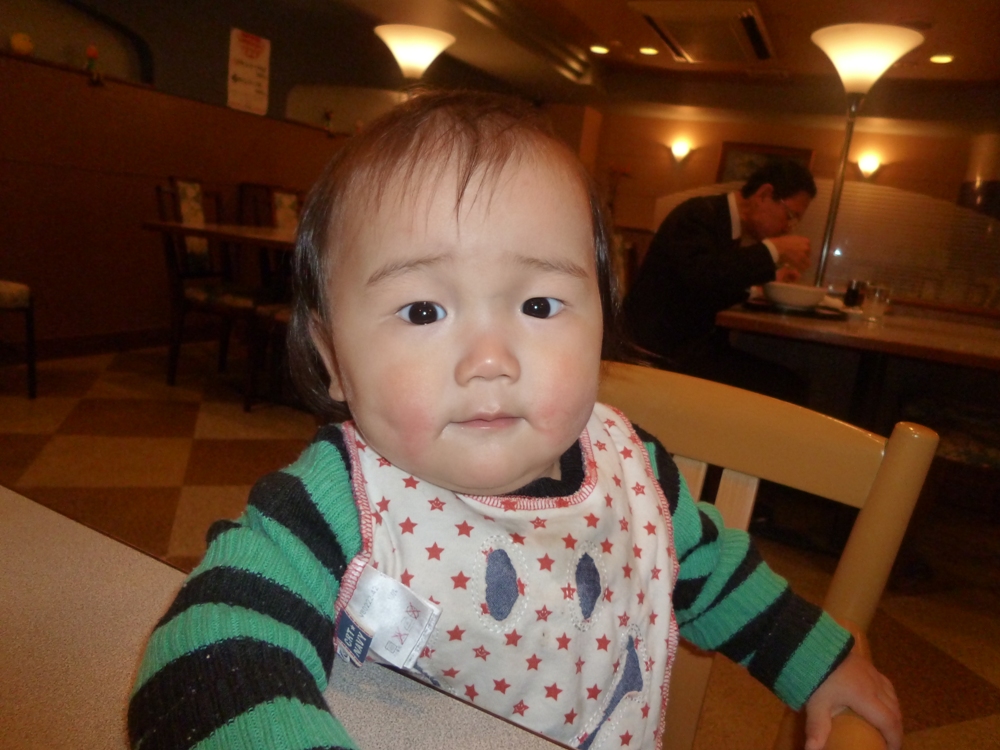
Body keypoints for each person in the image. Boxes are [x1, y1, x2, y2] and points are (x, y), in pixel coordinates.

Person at [128, 91, 900, 750]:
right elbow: (206, 655)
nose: (490, 359)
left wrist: (821, 660)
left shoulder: (635, 478)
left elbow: (715, 575)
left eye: (538, 304)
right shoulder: (341, 503)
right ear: (333, 357)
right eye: (423, 310)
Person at [622, 159, 817, 402]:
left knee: (790, 382)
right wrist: (773, 250)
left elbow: (715, 284)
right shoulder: (697, 215)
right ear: (764, 195)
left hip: (686, 347)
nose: (789, 227)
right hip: (660, 352)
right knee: (789, 388)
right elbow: (703, 277)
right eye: (790, 215)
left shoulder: (725, 224)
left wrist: (760, 287)